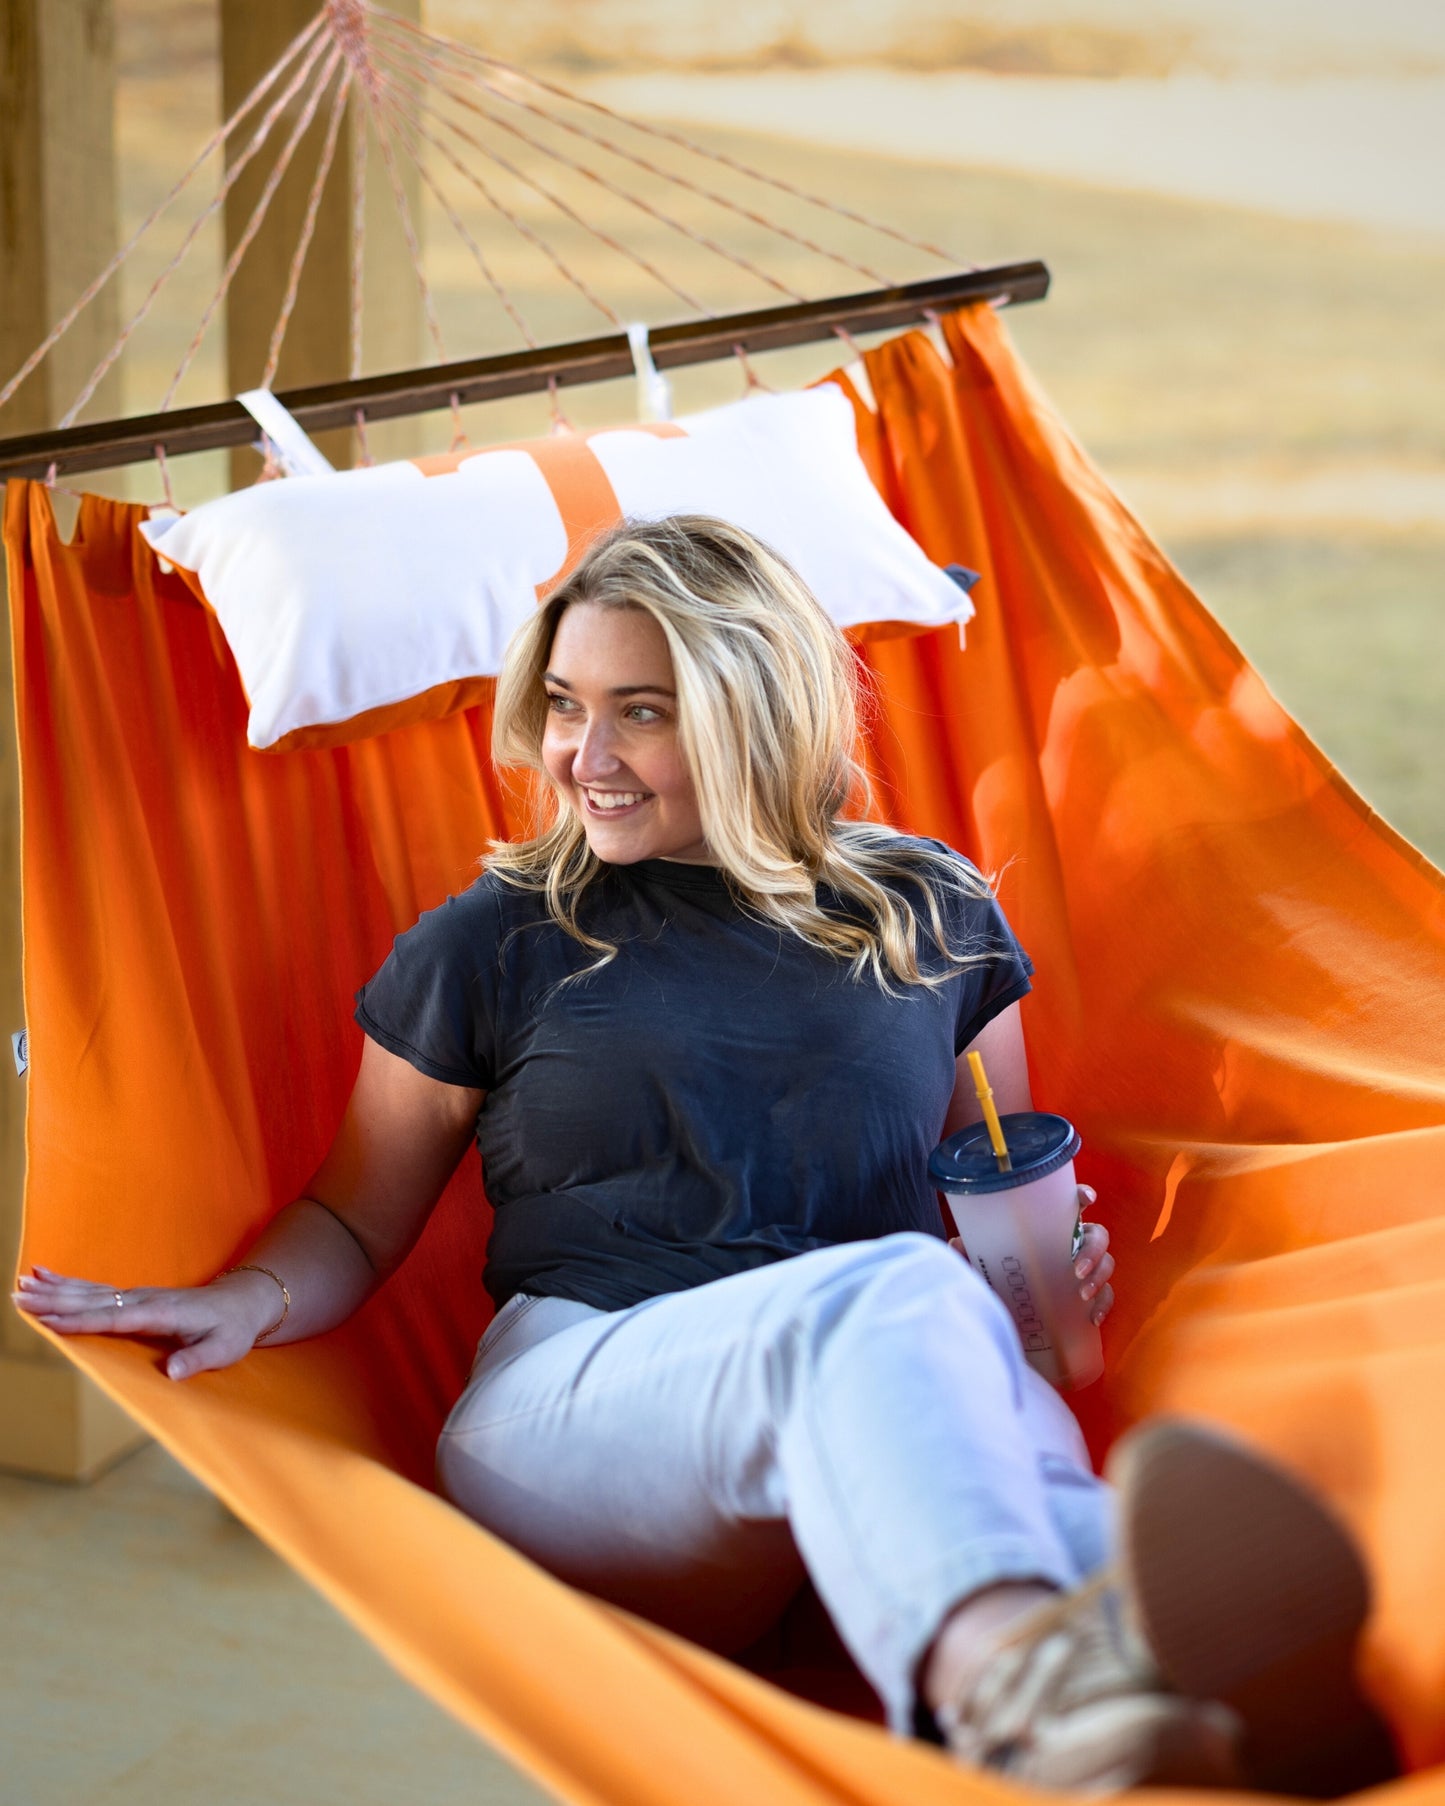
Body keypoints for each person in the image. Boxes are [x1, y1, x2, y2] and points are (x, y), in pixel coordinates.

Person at [16, 516, 1383, 1793]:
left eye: (640, 711)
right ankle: (1026, 1698)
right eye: (563, 703)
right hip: (587, 1413)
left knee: (929, 1314)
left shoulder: (925, 909)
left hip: (883, 1406)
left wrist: (1044, 1284)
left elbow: (988, 1177)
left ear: (753, 712)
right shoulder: (491, 939)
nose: (580, 754)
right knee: (888, 1294)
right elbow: (354, 1217)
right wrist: (243, 1297)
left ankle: (1193, 1691)